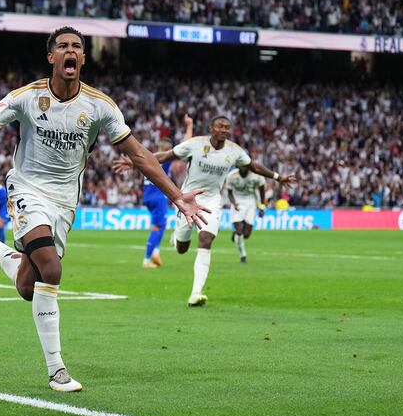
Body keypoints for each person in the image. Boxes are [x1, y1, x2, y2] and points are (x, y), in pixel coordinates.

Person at [0, 26, 209, 392]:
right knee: (51, 268)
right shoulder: (25, 97)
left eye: (78, 47)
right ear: (52, 57)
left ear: (83, 59)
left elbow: (138, 154)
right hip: (26, 187)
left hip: (65, 202)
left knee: (28, 285)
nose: (71, 51)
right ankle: (57, 370)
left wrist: (176, 195)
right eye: (63, 46)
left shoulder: (100, 106)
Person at [152, 116, 295, 306]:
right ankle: (177, 236)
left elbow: (253, 165)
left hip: (211, 200)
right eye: (219, 126)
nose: (223, 130)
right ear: (211, 128)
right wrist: (137, 161)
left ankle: (196, 293)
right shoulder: (195, 144)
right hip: (187, 198)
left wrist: (277, 177)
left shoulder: (234, 151)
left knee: (206, 240)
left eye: (227, 127)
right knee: (182, 249)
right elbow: (165, 155)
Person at [115, 115, 193, 269]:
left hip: (148, 196)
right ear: (167, 148)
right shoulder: (164, 159)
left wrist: (131, 165)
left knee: (161, 224)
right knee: (157, 226)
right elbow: (186, 144)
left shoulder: (149, 157)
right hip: (159, 197)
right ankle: (147, 259)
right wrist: (189, 126)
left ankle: (156, 252)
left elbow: (139, 164)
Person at [226, 166, 267, 264]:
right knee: (239, 231)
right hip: (237, 202)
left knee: (246, 235)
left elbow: (262, 190)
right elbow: (230, 193)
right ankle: (243, 255)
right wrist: (234, 203)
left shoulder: (257, 175)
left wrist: (261, 207)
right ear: (238, 165)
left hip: (251, 202)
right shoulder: (231, 175)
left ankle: (235, 234)